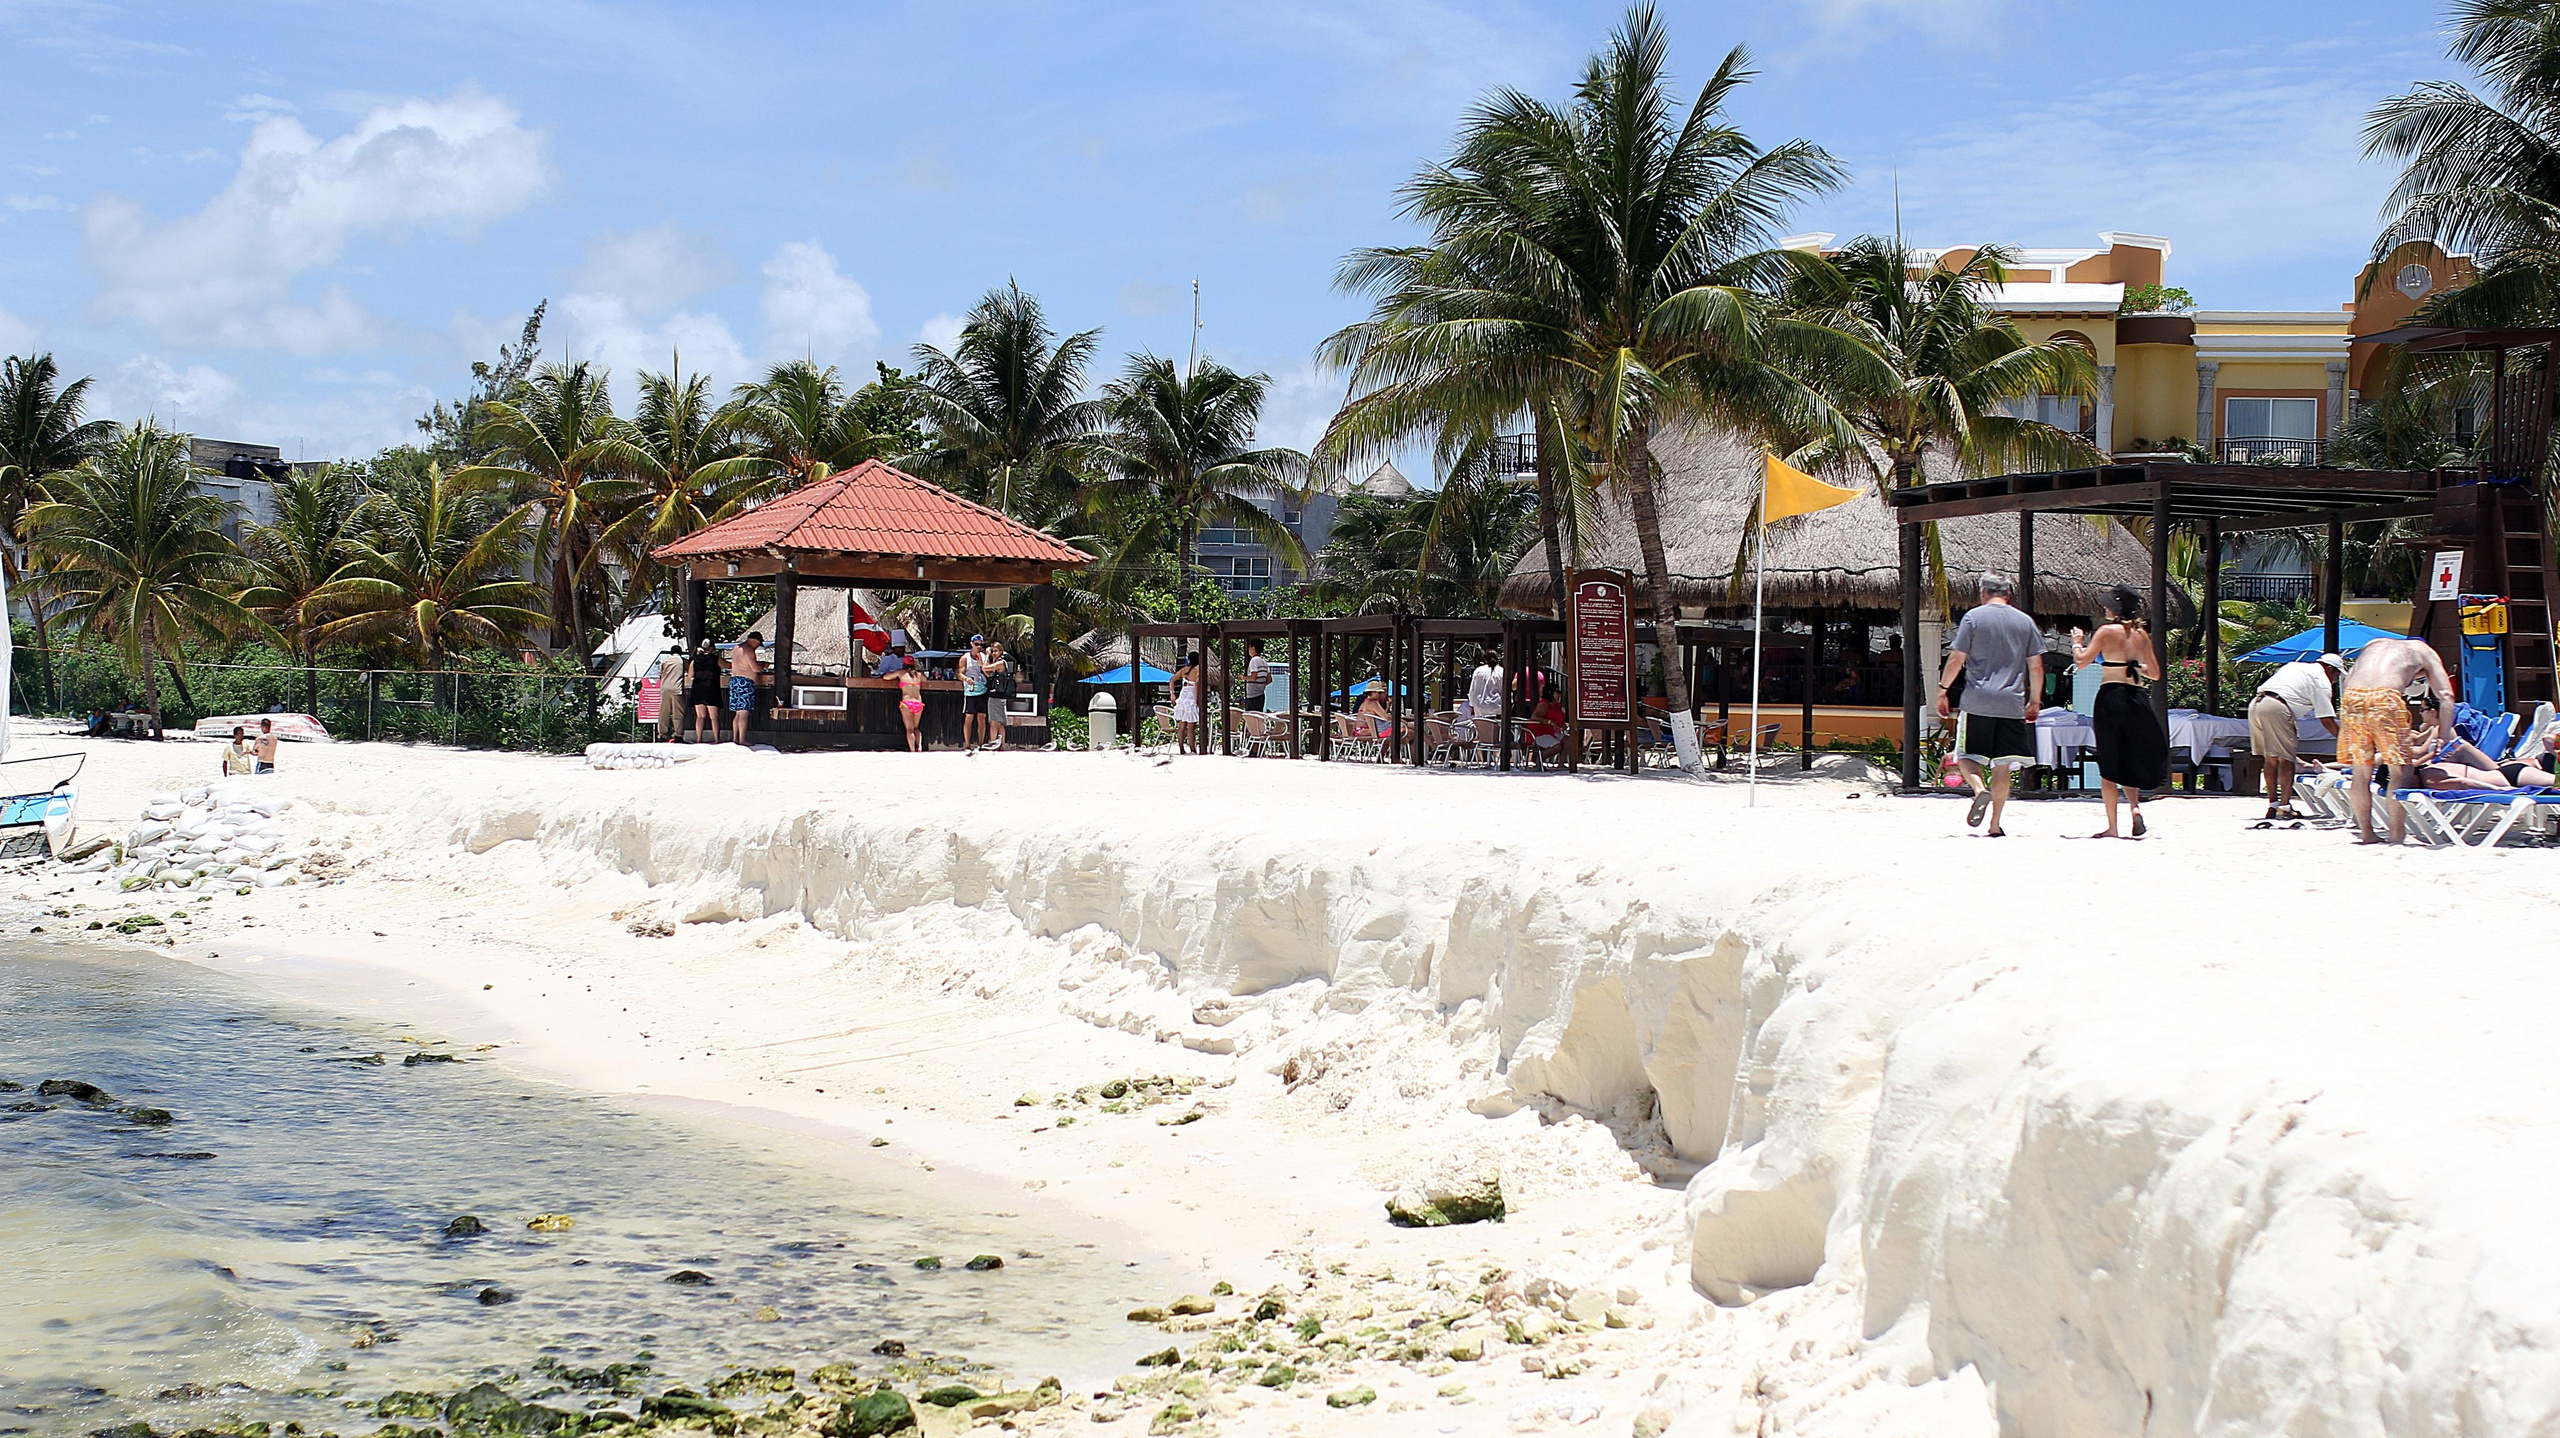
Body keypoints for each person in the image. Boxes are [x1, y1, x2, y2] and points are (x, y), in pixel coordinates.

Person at [1935, 572, 2043, 837]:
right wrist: (2034, 701)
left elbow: (1956, 660)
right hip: (2011, 703)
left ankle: (1979, 789)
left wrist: (1942, 691)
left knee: (1965, 757)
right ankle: (1995, 824)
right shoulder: (2025, 622)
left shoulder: (1973, 618)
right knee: (2002, 765)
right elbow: (2036, 666)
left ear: (1983, 592)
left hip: (1977, 701)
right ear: (2009, 594)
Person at [2336, 636, 2458, 845]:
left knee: (2361, 770)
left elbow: (2349, 681)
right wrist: (2444, 736)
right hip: (2385, 698)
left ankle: (2367, 834)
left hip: (2351, 697)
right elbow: (2447, 695)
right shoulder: (2425, 651)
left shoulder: (2373, 644)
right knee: (2399, 768)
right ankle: (2396, 834)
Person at [2068, 586, 2169, 839]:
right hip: (2137, 698)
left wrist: (2077, 643)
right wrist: (2134, 665)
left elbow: (2082, 661)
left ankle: (2112, 826)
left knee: (2110, 760)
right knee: (2130, 755)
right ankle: (2134, 808)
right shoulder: (2141, 634)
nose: (2104, 609)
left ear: (2115, 609)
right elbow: (2155, 673)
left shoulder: (2105, 631)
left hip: (2111, 697)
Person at [2247, 651, 2342, 819]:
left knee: (2271, 758)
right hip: (2277, 707)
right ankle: (2284, 807)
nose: (2335, 680)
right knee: (2286, 759)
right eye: (2337, 675)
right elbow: (2327, 721)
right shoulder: (2321, 681)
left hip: (2257, 704)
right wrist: (2346, 742)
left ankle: (2273, 805)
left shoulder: (2296, 666)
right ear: (2330, 669)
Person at [685, 640, 724, 744]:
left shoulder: (695, 660)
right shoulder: (715, 659)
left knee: (700, 716)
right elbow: (728, 665)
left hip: (698, 688)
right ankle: (716, 739)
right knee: (714, 717)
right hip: (711, 687)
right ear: (711, 648)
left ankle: (699, 739)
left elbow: (690, 675)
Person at [728, 632, 764, 744]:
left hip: (735, 680)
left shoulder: (736, 648)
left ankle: (735, 738)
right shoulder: (748, 650)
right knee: (744, 712)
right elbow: (755, 668)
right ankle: (742, 739)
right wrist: (763, 665)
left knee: (738, 713)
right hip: (745, 682)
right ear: (754, 641)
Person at [981, 642, 1013, 752]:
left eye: (995, 651)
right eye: (992, 651)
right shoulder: (1000, 663)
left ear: (1001, 651)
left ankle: (993, 744)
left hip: (996, 696)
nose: (993, 653)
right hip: (1001, 695)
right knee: (1000, 722)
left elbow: (985, 668)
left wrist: (987, 655)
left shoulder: (1000, 663)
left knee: (994, 722)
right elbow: (989, 674)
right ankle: (1002, 745)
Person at [1524, 692, 1567, 767]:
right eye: (1557, 692)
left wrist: (1562, 725)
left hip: (1552, 733)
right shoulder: (1544, 705)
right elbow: (1535, 717)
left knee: (1569, 740)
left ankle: (1561, 763)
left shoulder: (1557, 706)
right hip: (1539, 733)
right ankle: (1539, 760)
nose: (1559, 695)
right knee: (1557, 746)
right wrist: (1549, 722)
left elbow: (1559, 719)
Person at [1169, 652, 1203, 750]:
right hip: (1191, 697)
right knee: (1191, 727)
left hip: (1183, 696)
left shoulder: (1184, 670)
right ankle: (1193, 749)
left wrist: (1172, 693)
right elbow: (1197, 686)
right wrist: (1197, 700)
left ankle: (1181, 749)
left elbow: (1172, 680)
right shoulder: (1198, 671)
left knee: (1181, 726)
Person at [896, 660, 927, 752]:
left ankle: (912, 749)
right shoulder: (919, 675)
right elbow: (925, 680)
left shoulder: (901, 673)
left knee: (909, 729)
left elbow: (886, 677)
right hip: (918, 703)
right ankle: (919, 747)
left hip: (907, 703)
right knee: (916, 727)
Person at [1466, 649, 1505, 724]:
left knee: (1482, 729)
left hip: (1480, 707)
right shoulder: (1501, 671)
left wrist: (1472, 705)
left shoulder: (1478, 671)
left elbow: (1473, 690)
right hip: (1497, 707)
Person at [1242, 639, 1272, 712]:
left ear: (1253, 647)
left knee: (1251, 716)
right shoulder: (1264, 662)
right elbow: (1269, 680)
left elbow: (1254, 677)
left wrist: (1243, 677)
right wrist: (1261, 684)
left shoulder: (1254, 660)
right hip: (1261, 695)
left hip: (1252, 696)